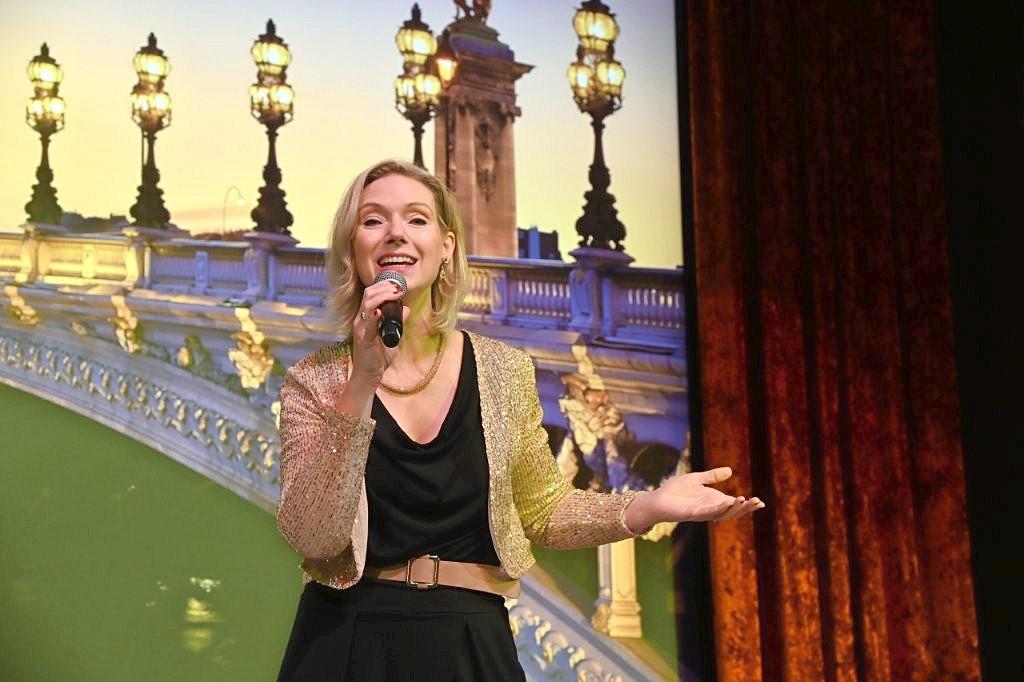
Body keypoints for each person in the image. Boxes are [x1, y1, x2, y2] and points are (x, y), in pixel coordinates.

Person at [275, 159, 765, 681]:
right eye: (373, 220)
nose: (396, 232)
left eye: (416, 218)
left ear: (447, 247)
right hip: (344, 642)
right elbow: (313, 535)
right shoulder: (314, 381)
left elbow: (545, 511)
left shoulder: (503, 371)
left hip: (470, 642)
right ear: (351, 249)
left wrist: (648, 505)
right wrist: (361, 382)